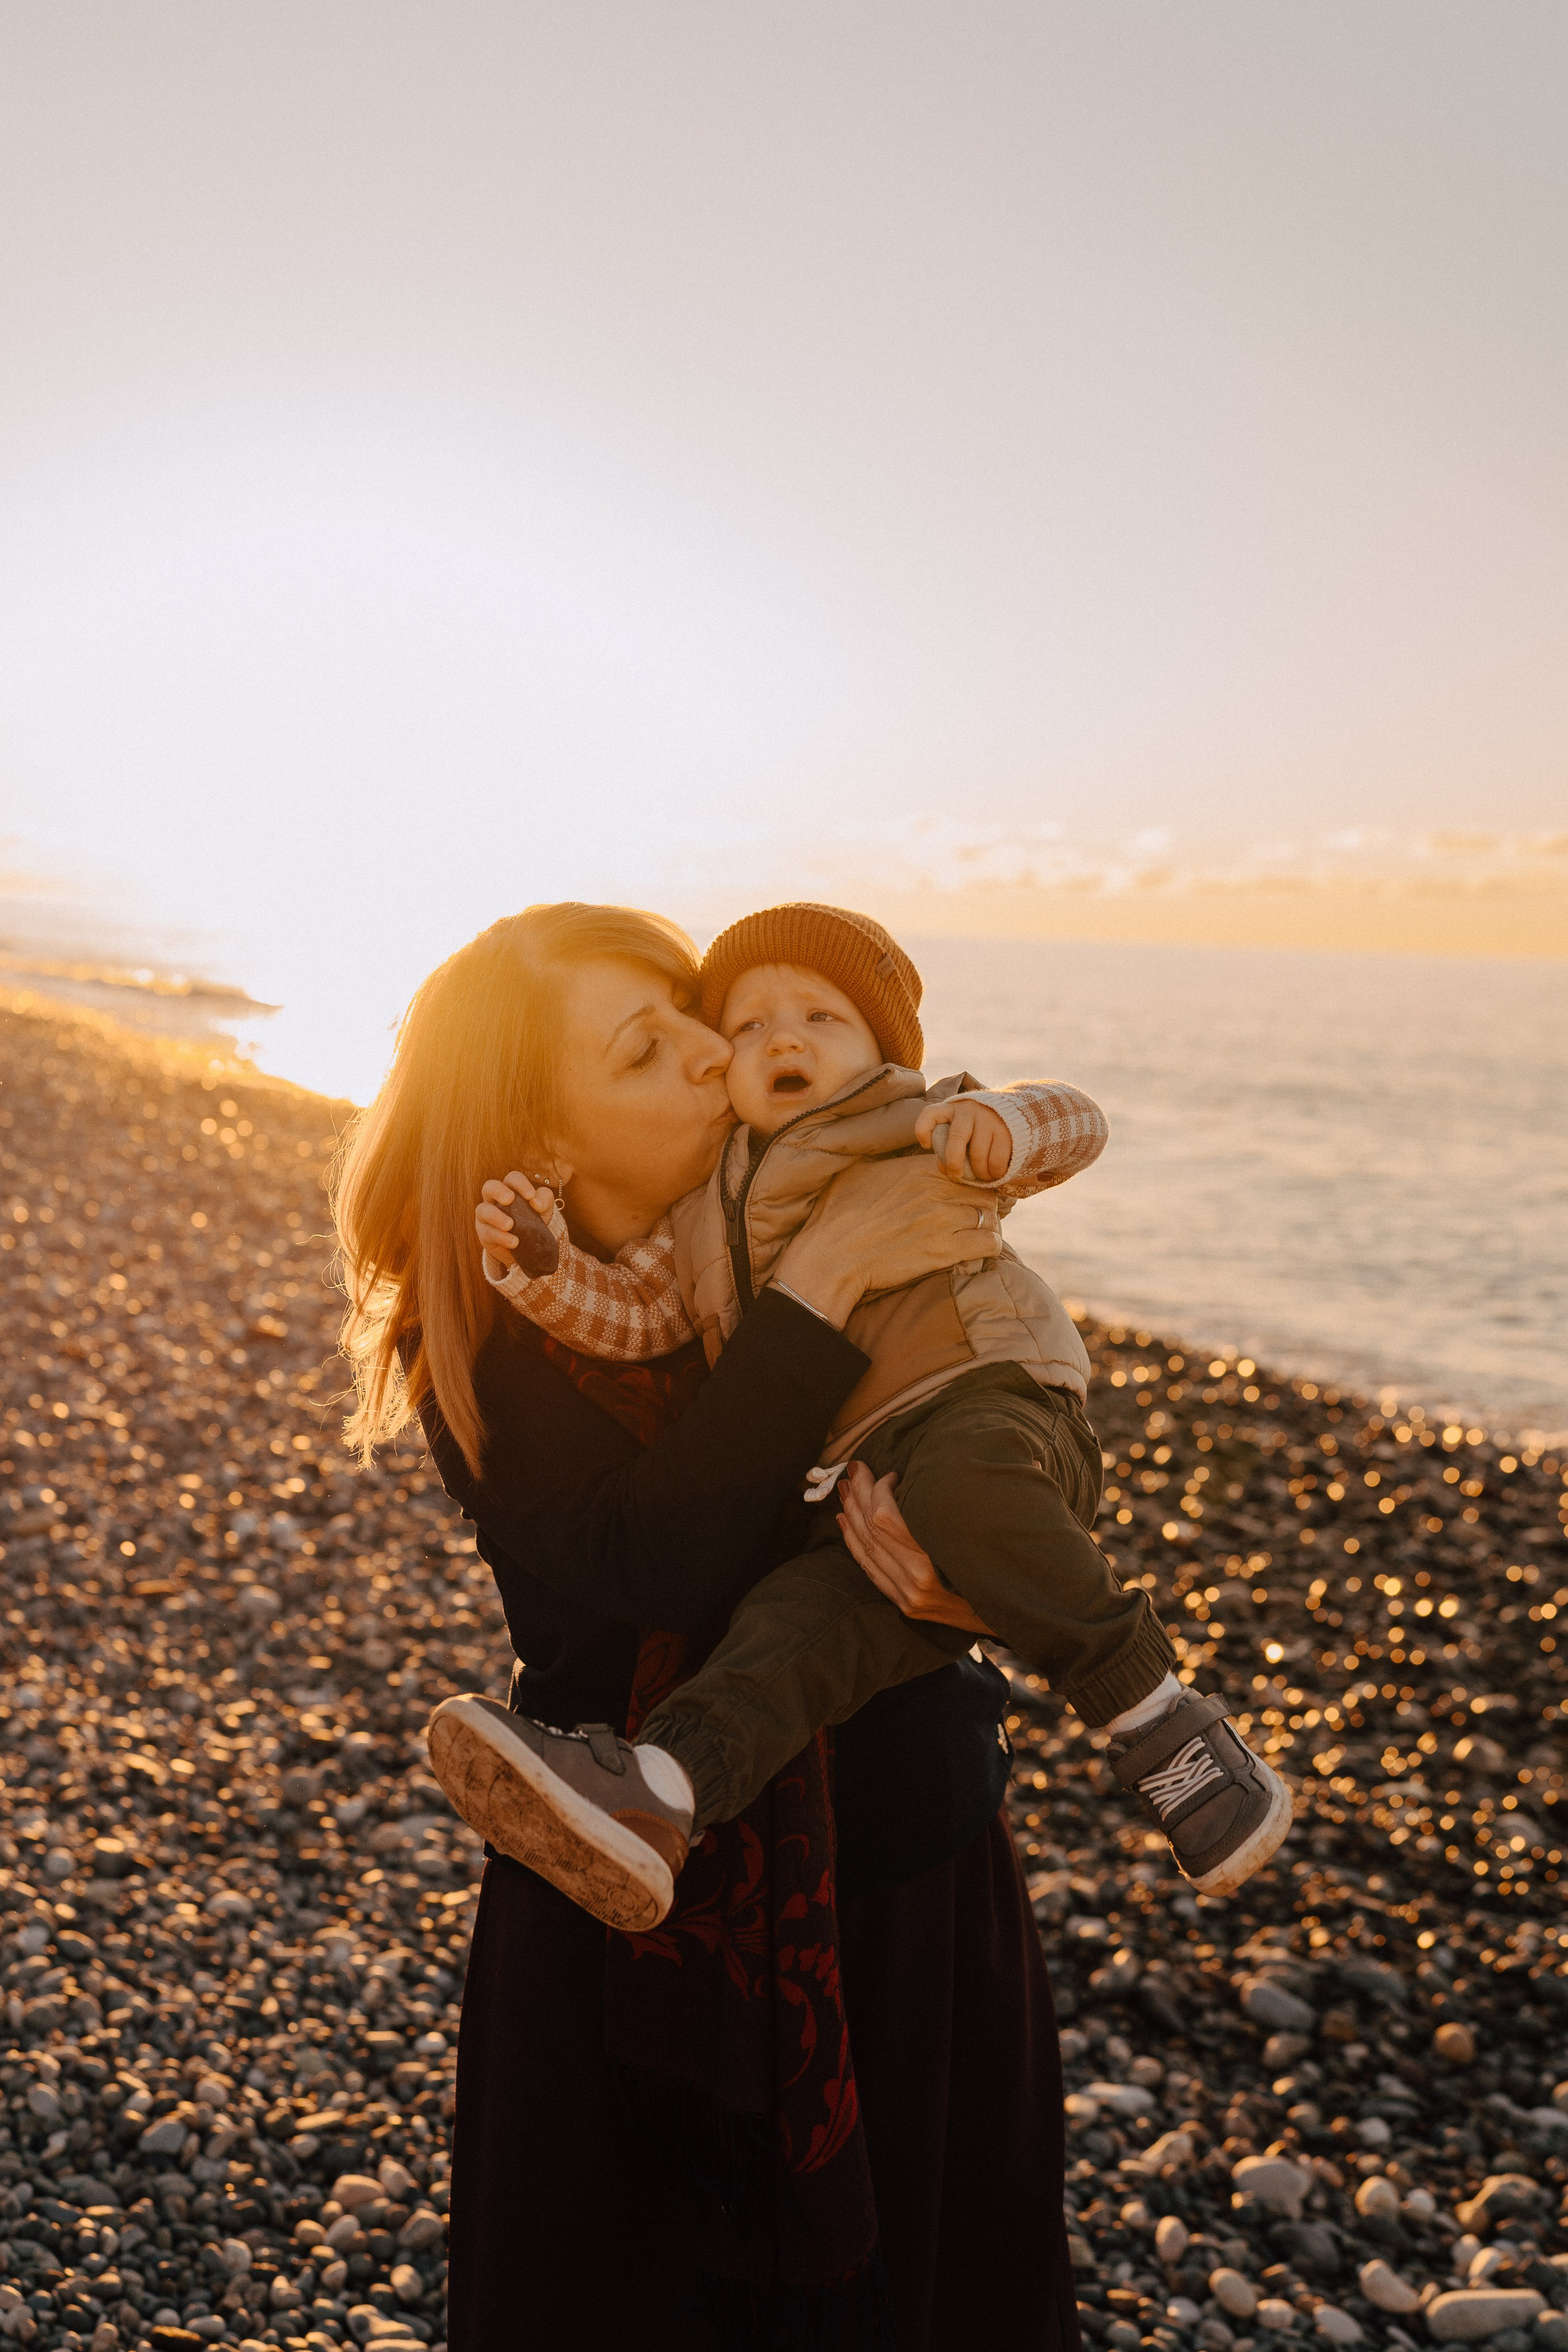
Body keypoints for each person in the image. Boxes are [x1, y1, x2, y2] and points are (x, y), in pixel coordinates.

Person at [331, 900, 1083, 2352]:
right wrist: (817, 1284)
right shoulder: (489, 1332)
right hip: (622, 1886)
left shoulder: (841, 1197)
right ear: (543, 1144)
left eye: (695, 1016)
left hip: (905, 1863)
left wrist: (974, 1575)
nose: (712, 1054)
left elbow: (1004, 1419)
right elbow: (659, 1562)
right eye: (644, 1050)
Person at [432, 902, 1288, 1932]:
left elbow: (1067, 1127)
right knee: (793, 1628)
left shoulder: (910, 1124)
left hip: (984, 1410)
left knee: (969, 1490)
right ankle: (663, 1790)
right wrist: (543, 1272)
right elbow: (639, 1322)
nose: (740, 1049)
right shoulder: (670, 1239)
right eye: (732, 1027)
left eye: (817, 1019)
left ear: (883, 1049)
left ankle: (1163, 1724)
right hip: (863, 1511)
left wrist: (1006, 1126)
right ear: (546, 1138)